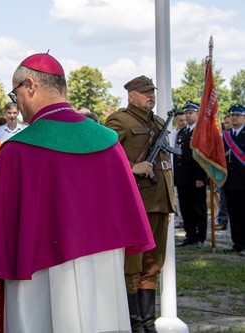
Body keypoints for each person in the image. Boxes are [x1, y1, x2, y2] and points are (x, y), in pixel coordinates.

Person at [0, 53, 154, 332]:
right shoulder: (108, 142)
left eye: (16, 97)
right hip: (102, 278)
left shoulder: (20, 150)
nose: (19, 107)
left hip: (43, 279)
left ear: (30, 85)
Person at [105, 75, 176, 332]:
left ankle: (148, 323)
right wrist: (133, 167)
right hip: (137, 203)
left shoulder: (159, 122)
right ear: (131, 95)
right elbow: (106, 155)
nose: (151, 96)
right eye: (145, 92)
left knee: (153, 264)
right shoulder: (119, 120)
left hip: (159, 202)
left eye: (152, 92)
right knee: (133, 266)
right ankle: (134, 324)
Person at [174, 102, 208, 249]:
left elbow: (204, 157)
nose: (187, 115)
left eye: (190, 113)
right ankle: (190, 235)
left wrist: (201, 177)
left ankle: (200, 237)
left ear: (197, 114)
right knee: (186, 209)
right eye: (186, 113)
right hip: (183, 178)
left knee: (198, 209)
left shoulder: (201, 132)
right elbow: (178, 156)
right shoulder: (182, 132)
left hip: (196, 178)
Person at [222, 103, 245, 256]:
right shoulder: (226, 135)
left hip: (243, 182)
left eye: (237, 115)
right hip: (230, 181)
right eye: (232, 115)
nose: (234, 117)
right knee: (234, 214)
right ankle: (237, 243)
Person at [215, 114, 232, 231]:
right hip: (224, 173)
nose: (227, 125)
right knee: (223, 199)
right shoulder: (223, 138)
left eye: (228, 123)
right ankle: (222, 221)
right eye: (225, 123)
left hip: (238, 175)